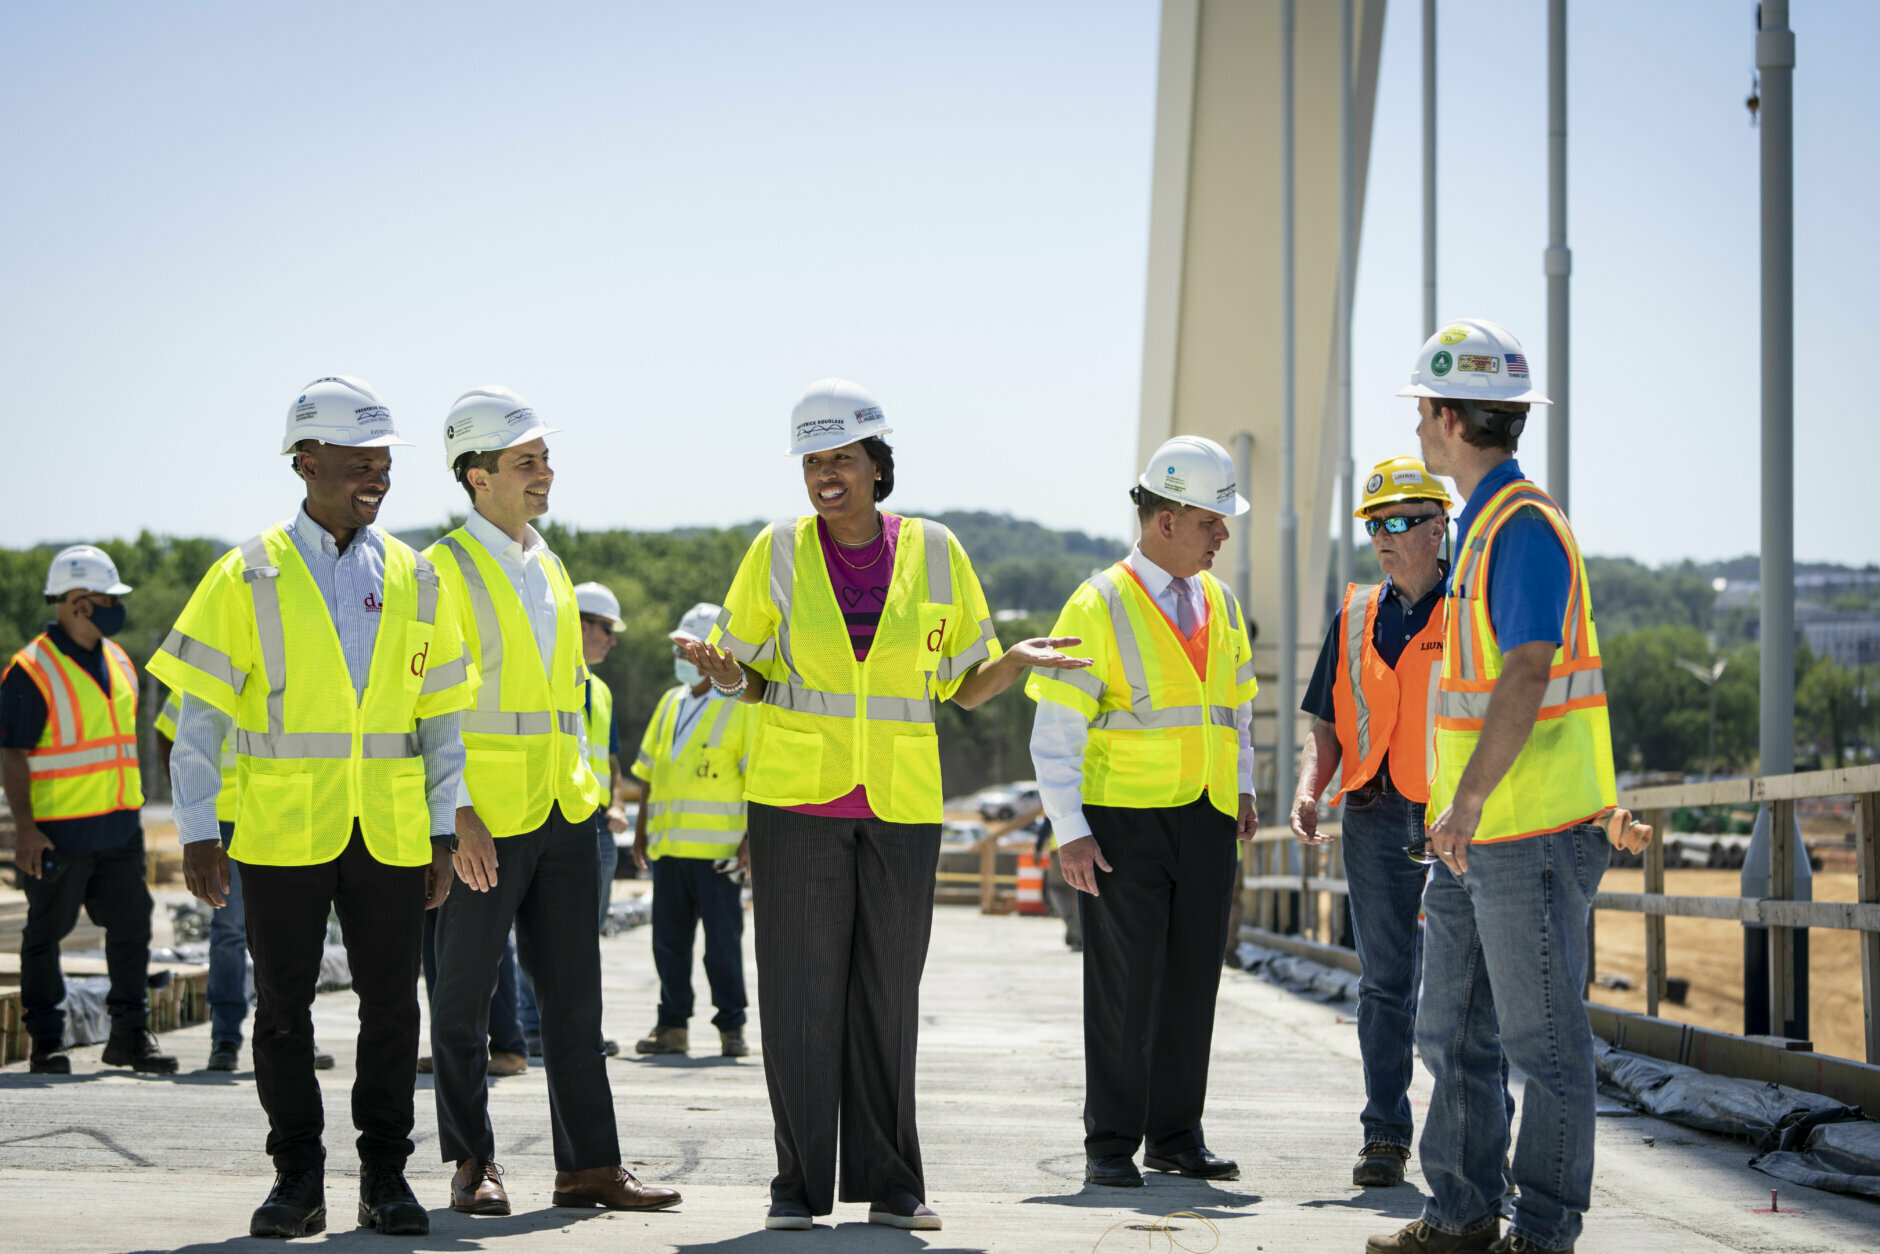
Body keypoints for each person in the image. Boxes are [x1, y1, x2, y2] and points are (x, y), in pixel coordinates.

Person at [684, 377, 1090, 1233]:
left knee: (888, 997)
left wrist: (1015, 660)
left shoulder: (938, 551)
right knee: (799, 996)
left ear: (877, 462)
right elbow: (747, 673)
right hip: (796, 801)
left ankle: (893, 1183)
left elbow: (965, 687)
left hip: (902, 804)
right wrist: (722, 674)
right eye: (812, 462)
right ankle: (798, 1185)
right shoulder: (776, 550)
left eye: (841, 458)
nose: (825, 476)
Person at [151, 376, 474, 1238]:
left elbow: (442, 725)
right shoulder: (245, 575)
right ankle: (298, 1178)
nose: (378, 474)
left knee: (393, 1009)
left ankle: (385, 1178)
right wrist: (197, 829)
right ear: (306, 461)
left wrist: (443, 829)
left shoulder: (417, 577)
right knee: (283, 1011)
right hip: (282, 829)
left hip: (392, 831)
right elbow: (198, 724)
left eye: (384, 460)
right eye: (359, 459)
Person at [1365, 321, 1637, 1254]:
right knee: (1450, 1033)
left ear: (1449, 418)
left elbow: (1526, 671)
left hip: (1530, 832)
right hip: (1476, 838)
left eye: (1421, 412)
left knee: (1543, 1045)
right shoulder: (1484, 527)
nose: (1417, 428)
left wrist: (1471, 800)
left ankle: (1545, 1231)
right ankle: (1462, 1213)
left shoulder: (1520, 527)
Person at [425, 385, 679, 1216]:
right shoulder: (440, 571)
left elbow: (563, 700)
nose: (545, 474)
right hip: (484, 821)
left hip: (566, 812)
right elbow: (425, 706)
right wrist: (456, 811)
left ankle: (589, 1167)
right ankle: (472, 1163)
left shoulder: (554, 567)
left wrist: (592, 797)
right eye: (525, 462)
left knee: (574, 1001)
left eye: (545, 459)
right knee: (463, 999)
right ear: (476, 475)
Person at [1026, 435, 1259, 1191]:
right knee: (1124, 988)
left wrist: (1244, 787)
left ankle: (1176, 1136)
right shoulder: (1097, 603)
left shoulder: (1220, 602)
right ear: (1166, 520)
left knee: (1194, 980)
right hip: (1121, 823)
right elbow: (1055, 732)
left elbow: (1236, 711)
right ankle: (1111, 1142)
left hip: (1207, 815)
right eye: (1211, 521)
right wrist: (1070, 832)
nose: (1222, 535)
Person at [1292, 457, 1473, 1187]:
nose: (1384, 537)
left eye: (1399, 521)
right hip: (1372, 812)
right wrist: (1310, 787)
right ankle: (1385, 1137)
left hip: (1456, 815)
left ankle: (1478, 1143)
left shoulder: (1471, 607)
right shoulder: (1356, 614)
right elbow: (1327, 723)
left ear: (1438, 526)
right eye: (1374, 525)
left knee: (1466, 988)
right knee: (1384, 982)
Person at [2, 545, 176, 1076]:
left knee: (132, 929)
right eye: (109, 599)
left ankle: (128, 1037)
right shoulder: (30, 671)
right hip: (58, 834)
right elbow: (11, 753)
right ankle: (46, 1042)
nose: (116, 608)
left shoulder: (119, 659)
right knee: (45, 935)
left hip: (119, 829)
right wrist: (26, 829)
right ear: (79, 603)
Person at [153, 697, 338, 1072]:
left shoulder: (291, 669)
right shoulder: (209, 672)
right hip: (227, 819)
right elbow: (169, 732)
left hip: (279, 810)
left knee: (291, 929)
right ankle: (225, 1037)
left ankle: (293, 1029)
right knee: (230, 930)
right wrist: (191, 807)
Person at [630, 601, 754, 1060]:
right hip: (668, 850)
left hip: (720, 854)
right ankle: (672, 1026)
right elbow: (648, 774)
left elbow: (757, 780)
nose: (681, 658)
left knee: (722, 946)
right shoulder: (670, 702)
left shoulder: (740, 706)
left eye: (689, 649)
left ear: (710, 654)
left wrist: (750, 842)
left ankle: (732, 1027)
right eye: (679, 650)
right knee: (669, 944)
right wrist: (641, 833)